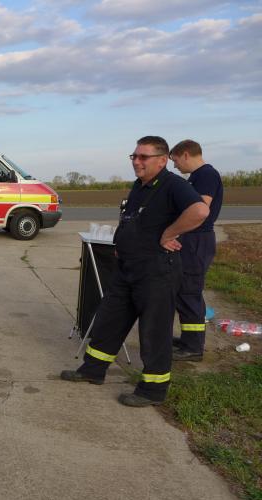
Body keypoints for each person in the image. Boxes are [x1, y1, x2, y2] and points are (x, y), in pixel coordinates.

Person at [60, 136, 209, 407]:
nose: (136, 162)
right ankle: (93, 370)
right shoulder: (140, 185)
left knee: (154, 332)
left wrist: (169, 233)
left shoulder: (173, 185)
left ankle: (152, 390)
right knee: (109, 320)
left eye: (143, 157)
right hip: (128, 268)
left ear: (162, 160)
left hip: (157, 272)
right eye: (134, 156)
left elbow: (200, 211)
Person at [169, 140, 223, 361]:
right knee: (184, 290)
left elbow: (199, 209)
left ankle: (193, 347)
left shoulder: (206, 175)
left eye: (175, 161)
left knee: (190, 291)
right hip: (192, 239)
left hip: (197, 240)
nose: (175, 166)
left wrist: (172, 231)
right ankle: (188, 339)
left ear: (185, 154)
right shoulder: (196, 177)